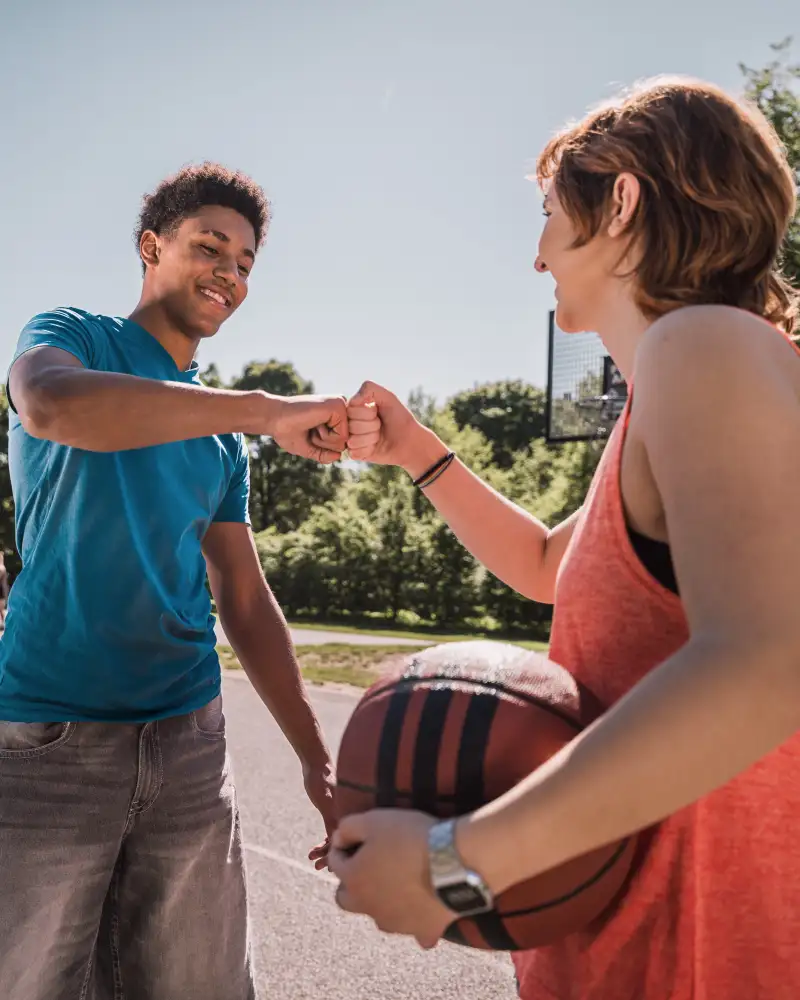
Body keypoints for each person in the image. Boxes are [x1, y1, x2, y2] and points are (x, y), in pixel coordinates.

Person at [330, 77, 800, 1000]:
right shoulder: (694, 380)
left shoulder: (704, 346)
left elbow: (769, 660)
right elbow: (552, 567)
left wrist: (452, 864)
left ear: (620, 201)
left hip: (703, 961)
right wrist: (418, 451)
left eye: (549, 212)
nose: (536, 254)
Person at [0, 162, 348, 1000]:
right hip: (50, 735)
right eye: (210, 247)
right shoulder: (72, 335)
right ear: (152, 246)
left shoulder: (221, 437)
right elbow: (51, 407)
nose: (229, 273)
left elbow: (243, 594)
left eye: (246, 263)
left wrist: (315, 760)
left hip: (188, 741)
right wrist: (265, 409)